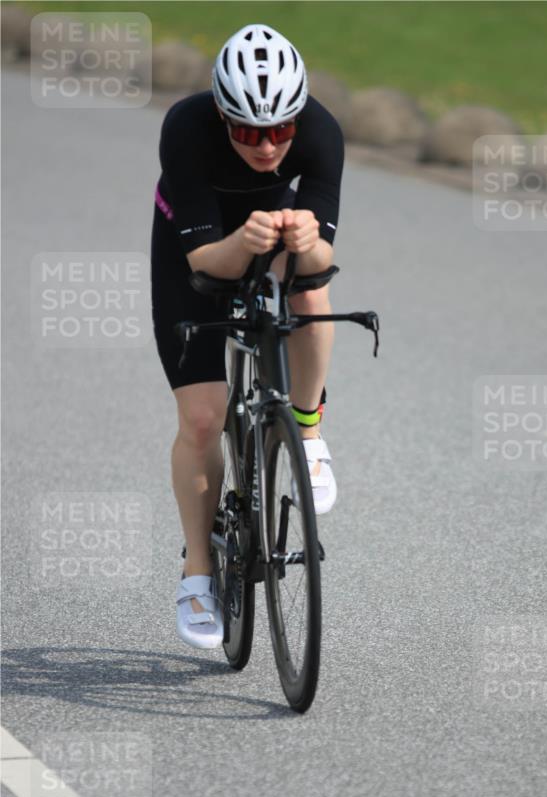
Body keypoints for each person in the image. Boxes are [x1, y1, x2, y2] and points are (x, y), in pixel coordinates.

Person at [150, 24, 344, 649]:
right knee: (203, 418)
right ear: (222, 115)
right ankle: (197, 571)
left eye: (280, 130)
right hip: (197, 247)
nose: (266, 146)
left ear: (298, 117)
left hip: (271, 235)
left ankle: (306, 431)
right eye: (248, 132)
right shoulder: (186, 128)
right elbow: (206, 263)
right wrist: (243, 241)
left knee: (310, 291)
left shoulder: (321, 131)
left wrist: (307, 241)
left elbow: (321, 259)